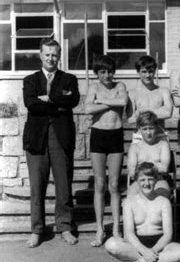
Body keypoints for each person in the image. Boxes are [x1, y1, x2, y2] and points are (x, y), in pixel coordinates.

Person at [23, 38, 80, 248]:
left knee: (63, 185)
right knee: (37, 187)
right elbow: (31, 103)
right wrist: (57, 103)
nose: (51, 58)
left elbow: (72, 100)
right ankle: (37, 230)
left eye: (54, 54)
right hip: (36, 138)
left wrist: (48, 99)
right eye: (47, 54)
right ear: (40, 55)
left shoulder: (69, 79)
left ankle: (65, 227)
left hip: (61, 137)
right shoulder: (29, 80)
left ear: (59, 55)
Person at [104, 162, 180, 262]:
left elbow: (168, 235)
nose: (147, 183)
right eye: (142, 180)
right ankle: (151, 261)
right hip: (137, 246)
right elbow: (129, 234)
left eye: (150, 179)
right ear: (136, 181)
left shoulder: (164, 202)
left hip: (160, 246)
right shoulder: (129, 202)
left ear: (156, 180)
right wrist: (144, 251)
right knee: (111, 244)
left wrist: (152, 252)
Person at [84, 55, 128, 247]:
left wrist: (100, 101)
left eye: (110, 71)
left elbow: (123, 102)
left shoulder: (120, 86)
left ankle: (117, 229)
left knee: (114, 184)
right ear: (97, 73)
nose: (107, 75)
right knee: (100, 184)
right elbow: (87, 109)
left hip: (115, 136)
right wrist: (110, 101)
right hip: (98, 137)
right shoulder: (93, 87)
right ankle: (100, 229)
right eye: (102, 72)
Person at [127, 55, 172, 142]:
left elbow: (168, 113)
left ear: (155, 71)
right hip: (140, 136)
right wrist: (159, 110)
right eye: (144, 71)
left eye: (150, 71)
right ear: (138, 72)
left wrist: (143, 110)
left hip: (160, 134)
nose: (147, 75)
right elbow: (131, 119)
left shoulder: (163, 91)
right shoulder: (132, 93)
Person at [127, 111, 171, 199]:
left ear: (156, 127)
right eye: (144, 129)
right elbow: (132, 172)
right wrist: (156, 165)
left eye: (151, 128)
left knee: (163, 195)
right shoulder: (135, 147)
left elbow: (165, 168)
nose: (148, 133)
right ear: (139, 129)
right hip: (140, 180)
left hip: (159, 180)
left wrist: (141, 166)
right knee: (131, 197)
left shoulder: (163, 145)